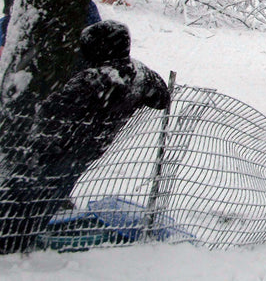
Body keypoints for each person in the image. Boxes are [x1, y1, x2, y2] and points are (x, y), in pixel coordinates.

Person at [0, 20, 170, 253]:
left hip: (52, 153)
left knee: (19, 201)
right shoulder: (139, 76)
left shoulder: (92, 81)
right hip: (85, 151)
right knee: (46, 201)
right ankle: (19, 242)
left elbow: (49, 118)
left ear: (100, 48)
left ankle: (8, 245)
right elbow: (162, 98)